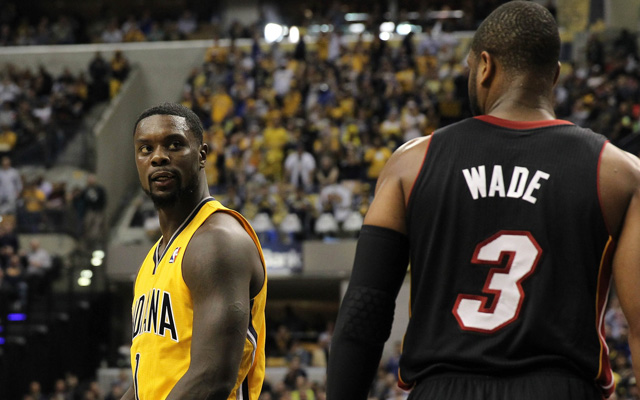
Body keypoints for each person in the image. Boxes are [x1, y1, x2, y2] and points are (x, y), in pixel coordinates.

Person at [326, 2, 640, 400]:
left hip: (443, 387)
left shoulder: (411, 163)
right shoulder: (617, 172)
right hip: (561, 387)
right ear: (555, 76)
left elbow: (364, 312)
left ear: (485, 66)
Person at [121, 103, 267, 400]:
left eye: (174, 144)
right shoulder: (155, 256)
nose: (158, 157)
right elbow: (146, 382)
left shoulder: (218, 241)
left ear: (201, 155)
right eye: (145, 149)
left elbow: (211, 379)